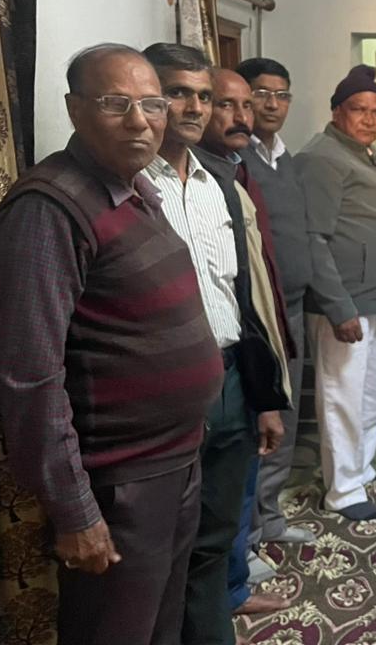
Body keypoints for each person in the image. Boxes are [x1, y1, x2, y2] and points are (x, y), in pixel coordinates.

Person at [0, 44, 219, 645]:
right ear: (75, 110)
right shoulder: (50, 208)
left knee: (161, 628)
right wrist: (75, 509)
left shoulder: (134, 189)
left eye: (151, 104)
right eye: (116, 104)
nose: (140, 120)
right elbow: (28, 374)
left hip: (174, 462)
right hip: (119, 484)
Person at [151, 58, 289, 644]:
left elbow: (243, 296)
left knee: (214, 537)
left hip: (229, 376)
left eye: (203, 96)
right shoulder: (128, 187)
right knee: (159, 546)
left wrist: (262, 395)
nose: (195, 108)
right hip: (162, 390)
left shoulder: (220, 186)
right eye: (177, 93)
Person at [295, 64, 376, 521]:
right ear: (336, 112)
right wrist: (338, 306)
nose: (369, 119)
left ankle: (359, 470)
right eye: (359, 110)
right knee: (342, 394)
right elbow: (313, 238)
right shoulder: (322, 158)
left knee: (371, 392)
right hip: (346, 302)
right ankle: (342, 489)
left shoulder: (368, 156)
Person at [235, 56, 316, 547]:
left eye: (281, 95)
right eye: (261, 94)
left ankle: (271, 518)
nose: (272, 104)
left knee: (285, 414)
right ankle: (247, 534)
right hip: (258, 312)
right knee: (258, 421)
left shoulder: (284, 159)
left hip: (294, 306)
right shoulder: (233, 159)